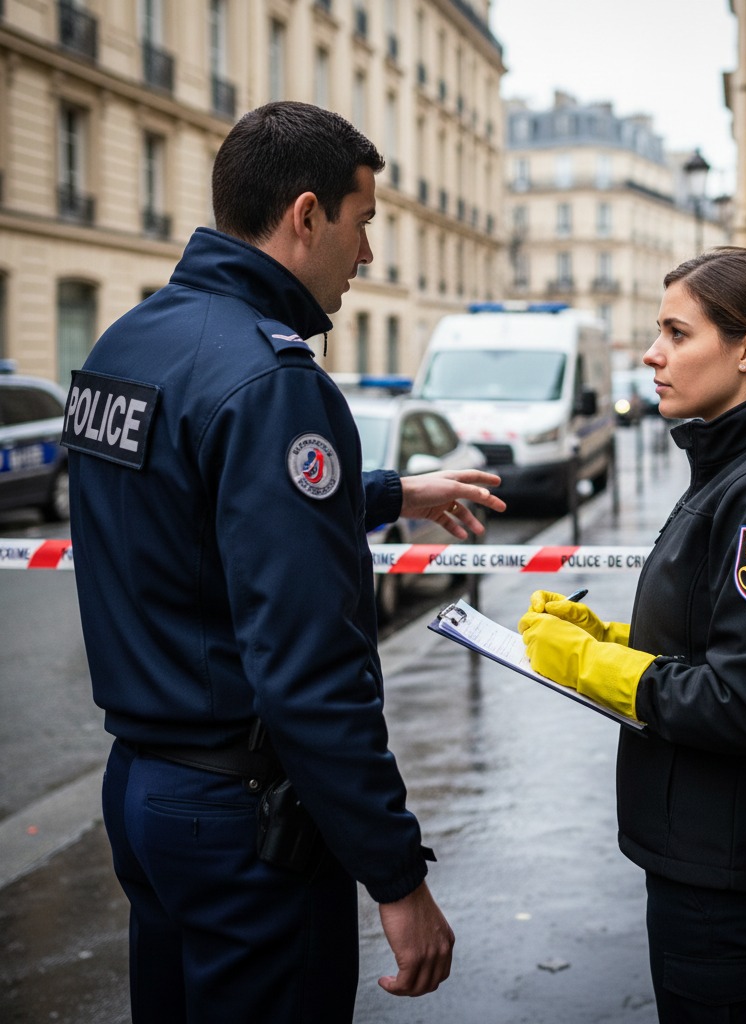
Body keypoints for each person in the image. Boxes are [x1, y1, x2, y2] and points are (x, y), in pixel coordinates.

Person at [61, 101, 505, 1023]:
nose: (369, 253)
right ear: (307, 216)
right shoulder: (274, 382)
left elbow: (195, 513)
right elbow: (309, 667)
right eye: (364, 222)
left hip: (145, 790)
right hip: (241, 820)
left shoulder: (128, 344)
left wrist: (387, 492)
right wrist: (396, 876)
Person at [519, 247, 746, 1023]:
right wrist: (603, 635)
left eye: (676, 332)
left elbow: (742, 701)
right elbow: (719, 639)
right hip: (708, 856)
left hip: (726, 871)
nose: (651, 353)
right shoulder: (736, 466)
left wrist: (593, 664)